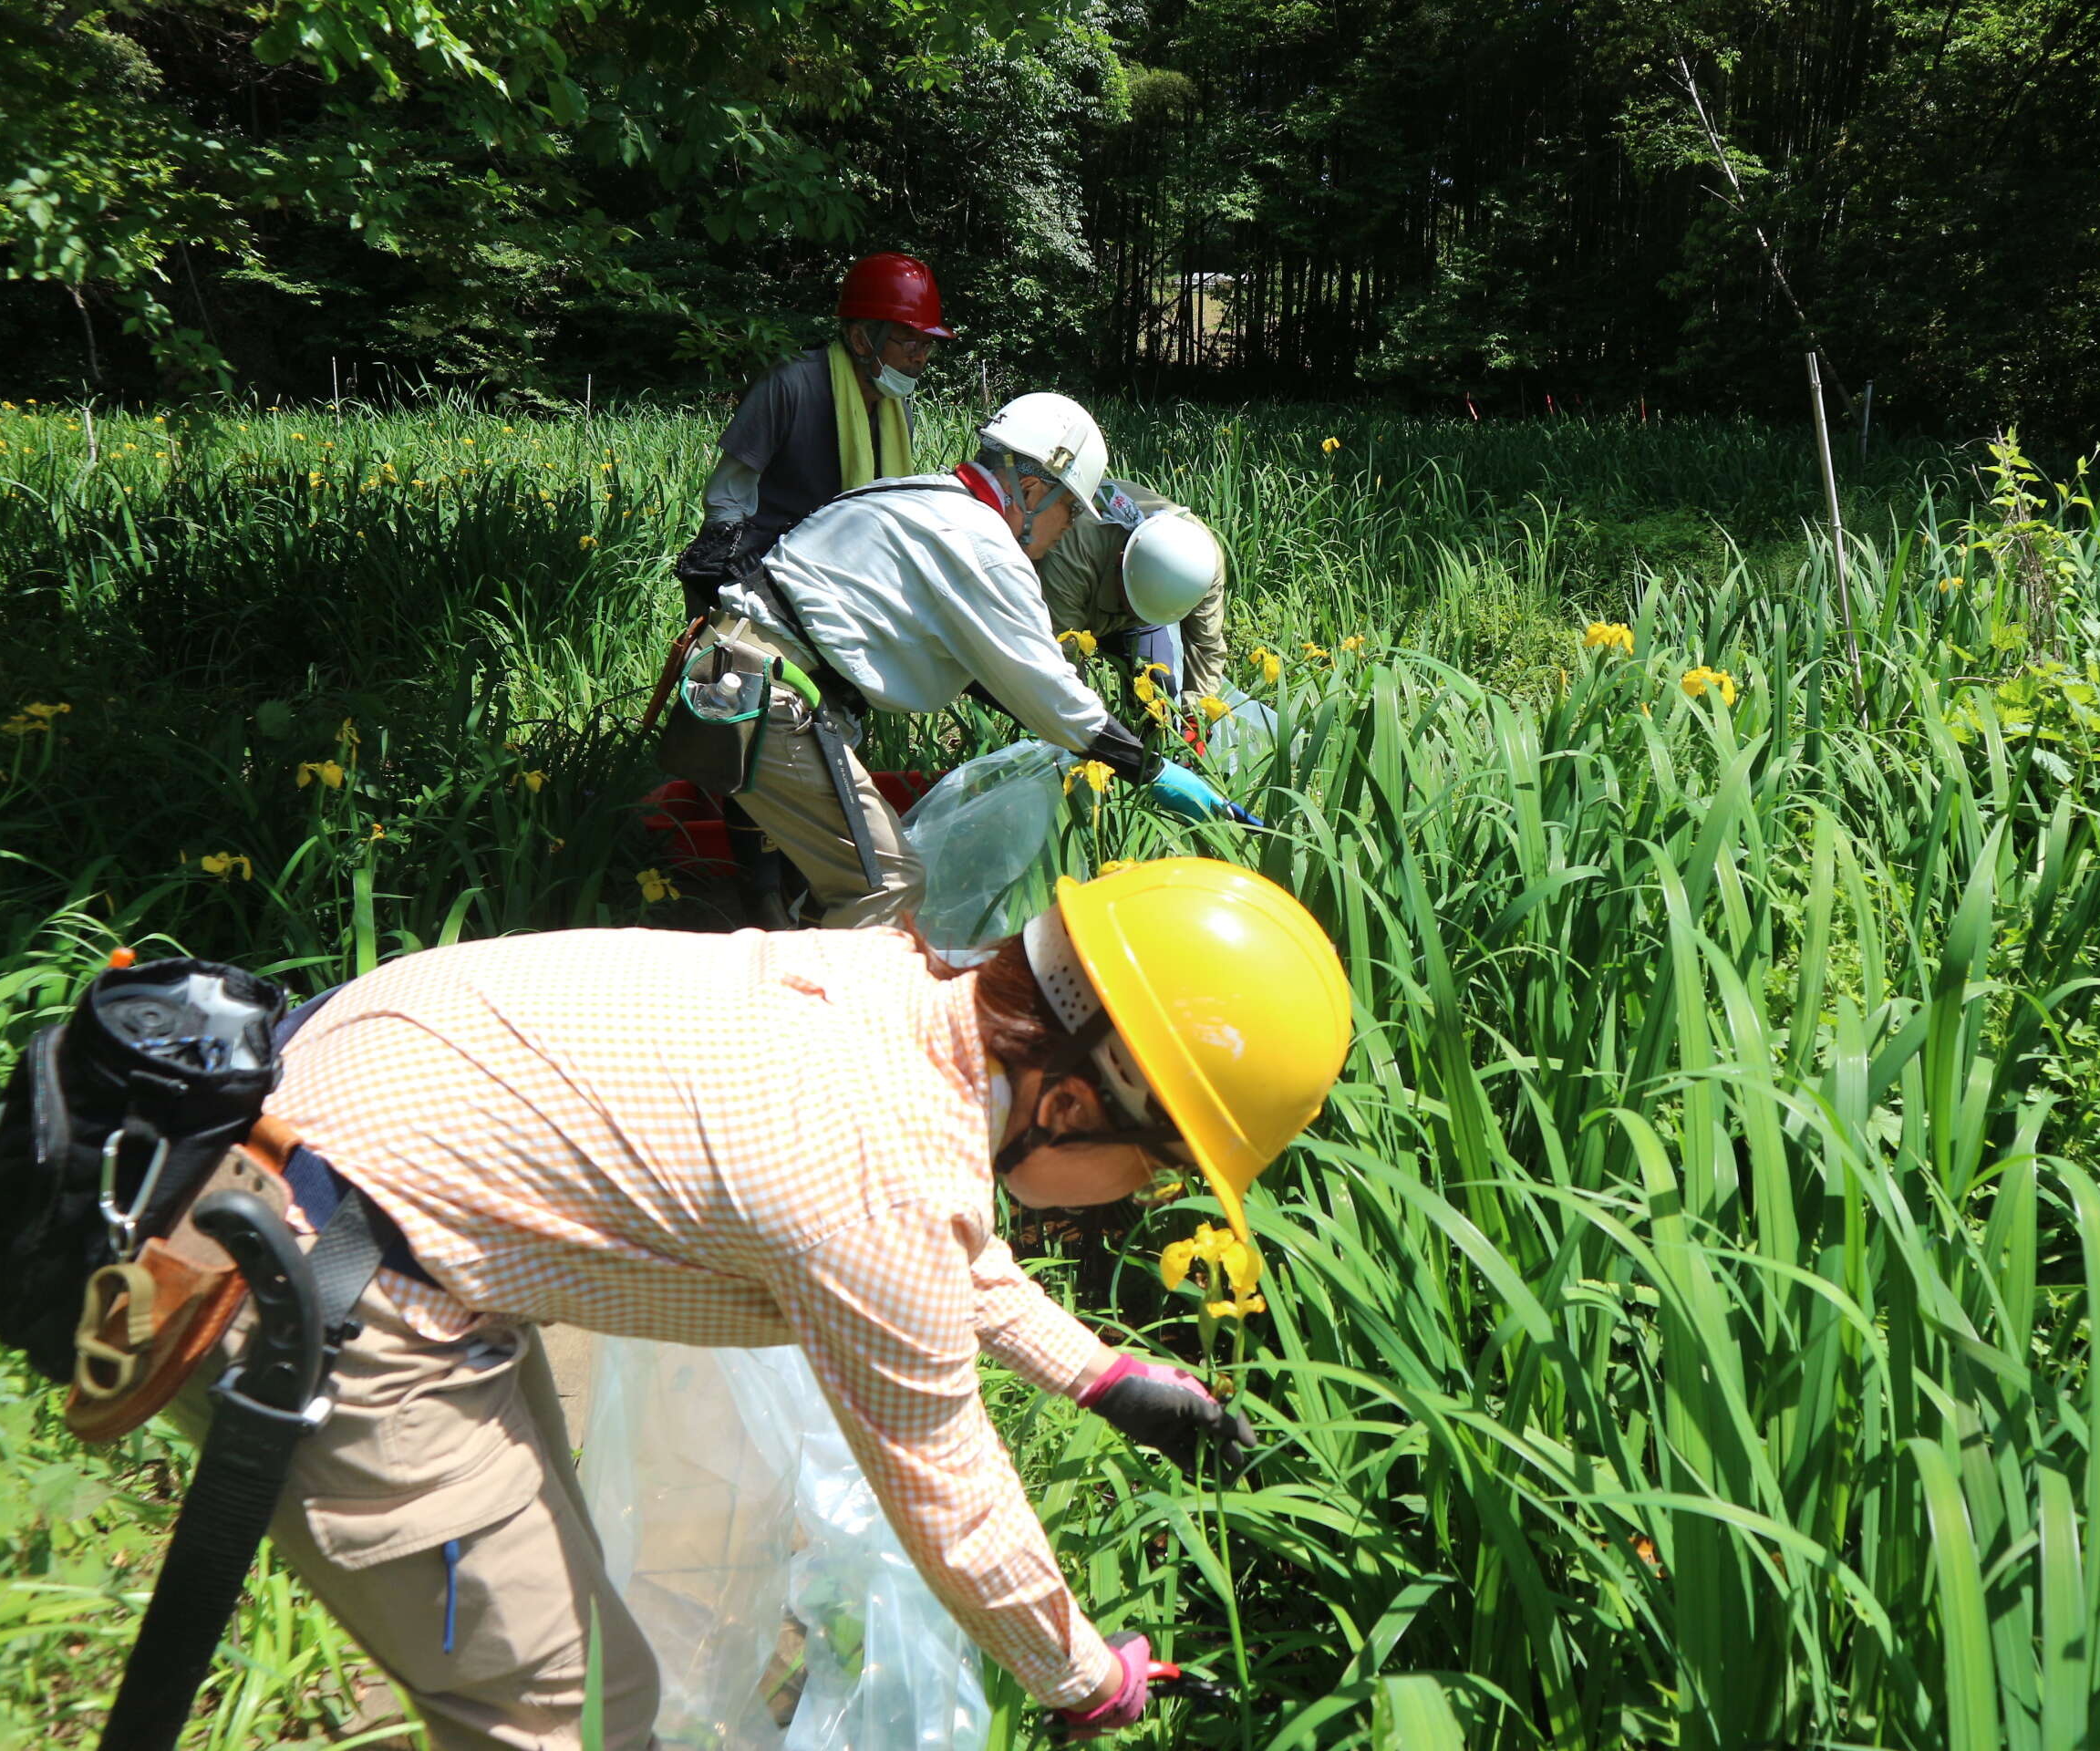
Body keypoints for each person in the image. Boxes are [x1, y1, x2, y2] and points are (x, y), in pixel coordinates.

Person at [173, 857, 1354, 1750]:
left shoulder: (893, 986)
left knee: (564, 1654)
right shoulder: (883, 1178)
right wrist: (1089, 1680)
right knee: (567, 1708)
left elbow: (920, 1245)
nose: (1141, 1199)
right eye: (1159, 1167)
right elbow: (955, 1502)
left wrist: (1100, 1374)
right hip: (308, 1275)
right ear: (1066, 1109)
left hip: (327, 1136)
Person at [683, 391, 1242, 929]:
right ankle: (821, 1020)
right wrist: (1152, 771)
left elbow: (995, 677)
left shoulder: (917, 494)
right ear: (1031, 488)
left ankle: (805, 965)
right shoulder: (986, 547)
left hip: (739, 673)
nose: (1071, 527)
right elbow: (1051, 691)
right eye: (1071, 510)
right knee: (887, 886)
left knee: (835, 882)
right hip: (770, 698)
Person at [676, 252, 953, 618]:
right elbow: (727, 499)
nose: (920, 357)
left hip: (838, 579)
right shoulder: (791, 384)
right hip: (758, 573)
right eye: (909, 341)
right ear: (860, 340)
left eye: (926, 343)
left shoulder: (897, 410)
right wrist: (744, 591)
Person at [1036, 480, 1230, 704]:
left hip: (1137, 608)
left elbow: (1206, 647)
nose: (1135, 615)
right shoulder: (1070, 556)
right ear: (1121, 562)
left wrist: (1199, 714)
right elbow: (1060, 663)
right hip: (1073, 601)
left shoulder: (1201, 559)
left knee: (1157, 691)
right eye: (1133, 605)